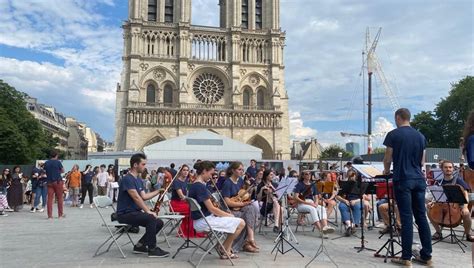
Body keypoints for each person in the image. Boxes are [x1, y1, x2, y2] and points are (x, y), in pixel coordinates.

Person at [383, 108, 432, 266]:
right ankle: (427, 256)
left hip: (403, 179)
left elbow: (387, 158)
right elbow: (422, 162)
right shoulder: (420, 136)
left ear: (398, 118)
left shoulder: (393, 134)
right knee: (421, 217)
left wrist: (385, 170)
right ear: (408, 118)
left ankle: (406, 258)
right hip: (419, 179)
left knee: (406, 218)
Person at [188, 160, 245, 259]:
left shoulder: (194, 185)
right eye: (211, 174)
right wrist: (229, 215)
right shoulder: (200, 187)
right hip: (204, 221)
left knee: (236, 222)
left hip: (201, 219)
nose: (211, 177)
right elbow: (212, 209)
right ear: (204, 171)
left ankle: (225, 249)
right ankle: (224, 248)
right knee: (240, 223)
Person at [116, 153, 169, 258]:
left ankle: (140, 245)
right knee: (151, 218)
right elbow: (136, 197)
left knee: (159, 222)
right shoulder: (127, 179)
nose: (145, 167)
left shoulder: (138, 180)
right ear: (135, 165)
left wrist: (158, 191)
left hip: (134, 212)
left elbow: (144, 196)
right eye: (143, 164)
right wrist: (147, 211)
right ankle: (152, 249)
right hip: (125, 213)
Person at [427, 160, 473, 242]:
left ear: (453, 169)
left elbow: (466, 193)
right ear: (442, 169)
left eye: (450, 167)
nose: (448, 169)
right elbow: (438, 194)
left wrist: (465, 207)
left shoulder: (458, 180)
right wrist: (432, 202)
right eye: (446, 167)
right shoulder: (439, 181)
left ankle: (468, 234)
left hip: (458, 204)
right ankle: (438, 232)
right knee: (428, 210)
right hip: (443, 203)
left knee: (467, 214)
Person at [222, 161, 260, 253]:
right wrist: (243, 204)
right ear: (233, 170)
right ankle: (247, 242)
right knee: (248, 215)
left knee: (251, 209)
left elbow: (243, 196)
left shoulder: (240, 181)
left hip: (239, 207)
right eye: (239, 170)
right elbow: (227, 202)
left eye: (242, 170)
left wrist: (247, 189)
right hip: (230, 210)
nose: (241, 172)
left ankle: (249, 239)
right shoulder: (227, 183)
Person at [170, 164, 204, 238]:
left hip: (183, 203)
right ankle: (189, 231)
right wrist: (191, 200)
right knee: (193, 209)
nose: (186, 172)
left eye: (187, 170)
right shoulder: (176, 181)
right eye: (184, 170)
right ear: (180, 171)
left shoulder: (186, 181)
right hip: (176, 204)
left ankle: (189, 231)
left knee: (196, 208)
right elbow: (181, 196)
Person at [44, 151, 65, 219]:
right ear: (56, 155)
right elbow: (63, 170)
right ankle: (60, 215)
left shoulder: (46, 162)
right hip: (58, 181)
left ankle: (50, 216)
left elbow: (45, 171)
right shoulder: (58, 162)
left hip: (49, 182)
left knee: (49, 199)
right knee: (59, 198)